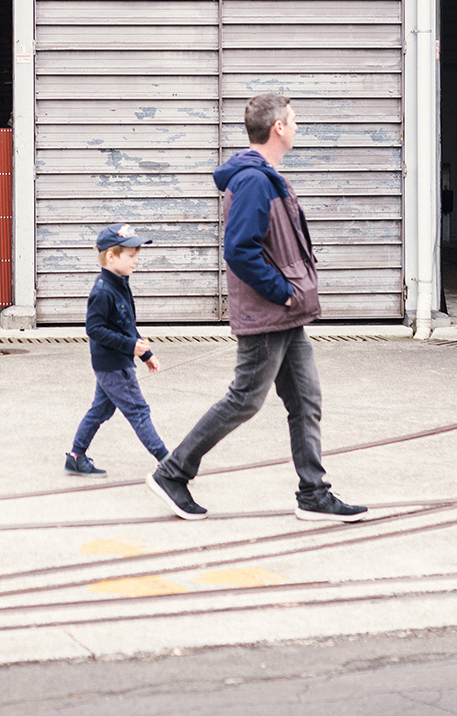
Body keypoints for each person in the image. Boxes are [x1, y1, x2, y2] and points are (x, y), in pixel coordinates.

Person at [147, 93, 368, 523]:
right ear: (278, 128)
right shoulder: (252, 181)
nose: (298, 125)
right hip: (270, 312)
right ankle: (172, 473)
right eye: (294, 118)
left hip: (286, 315)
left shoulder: (266, 176)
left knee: (305, 400)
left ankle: (314, 493)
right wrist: (282, 291)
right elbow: (239, 250)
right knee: (245, 398)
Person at [64, 223, 168, 476]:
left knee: (101, 409)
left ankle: (76, 456)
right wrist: (130, 347)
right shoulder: (103, 291)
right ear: (111, 256)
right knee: (139, 411)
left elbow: (127, 324)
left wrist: (145, 353)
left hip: (114, 362)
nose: (136, 261)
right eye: (131, 256)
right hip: (113, 365)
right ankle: (169, 462)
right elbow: (95, 329)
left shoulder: (121, 283)